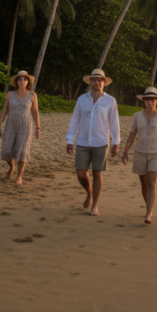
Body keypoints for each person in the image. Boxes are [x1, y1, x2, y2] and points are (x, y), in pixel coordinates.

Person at [65, 68, 120, 216]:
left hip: (101, 142)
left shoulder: (110, 101)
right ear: (90, 82)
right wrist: (70, 139)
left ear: (104, 82)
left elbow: (114, 123)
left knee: (97, 173)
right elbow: (75, 119)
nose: (97, 83)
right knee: (81, 173)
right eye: (94, 80)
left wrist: (116, 142)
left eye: (100, 80)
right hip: (82, 141)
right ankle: (89, 192)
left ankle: (94, 205)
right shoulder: (82, 99)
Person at [121, 87, 157, 225]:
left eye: (153, 99)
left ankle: (148, 213)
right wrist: (125, 151)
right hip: (140, 152)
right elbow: (132, 134)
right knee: (143, 184)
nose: (150, 102)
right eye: (148, 99)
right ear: (143, 101)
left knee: (151, 182)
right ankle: (149, 205)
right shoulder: (137, 116)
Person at [0, 70, 40, 186]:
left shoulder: (32, 95)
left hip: (26, 125)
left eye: (25, 79)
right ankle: (11, 166)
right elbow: (5, 109)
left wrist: (38, 127)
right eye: (20, 79)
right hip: (10, 124)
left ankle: (19, 177)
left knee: (22, 152)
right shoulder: (10, 94)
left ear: (27, 82)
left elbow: (35, 112)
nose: (22, 81)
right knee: (6, 151)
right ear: (16, 81)